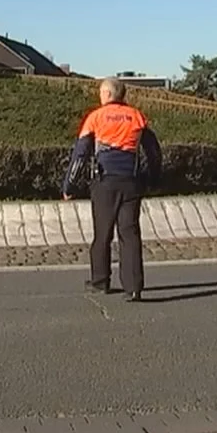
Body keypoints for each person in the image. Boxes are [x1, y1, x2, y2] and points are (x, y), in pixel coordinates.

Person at [62, 77, 162, 302]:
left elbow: (80, 155)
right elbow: (154, 152)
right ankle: (134, 286)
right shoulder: (136, 116)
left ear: (107, 94)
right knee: (130, 232)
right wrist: (152, 179)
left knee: (103, 233)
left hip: (104, 181)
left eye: (101, 93)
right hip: (131, 181)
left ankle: (100, 281)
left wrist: (69, 186)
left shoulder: (95, 117)